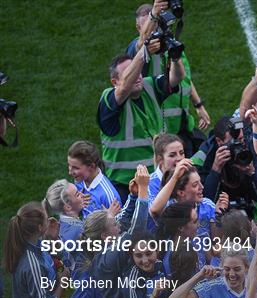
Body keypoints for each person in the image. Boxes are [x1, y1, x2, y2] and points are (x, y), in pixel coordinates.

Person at [97, 22, 185, 201]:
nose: (138, 76)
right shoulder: (109, 98)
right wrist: (143, 51)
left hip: (156, 178)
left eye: (138, 70)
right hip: (125, 185)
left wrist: (175, 58)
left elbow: (176, 78)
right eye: (131, 72)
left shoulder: (149, 85)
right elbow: (123, 90)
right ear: (115, 82)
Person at [126, 2, 210, 157]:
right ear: (139, 28)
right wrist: (155, 13)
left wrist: (198, 105)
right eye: (149, 26)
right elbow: (142, 42)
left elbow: (184, 78)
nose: (153, 31)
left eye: (156, 25)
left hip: (183, 123)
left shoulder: (171, 44)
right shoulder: (139, 51)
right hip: (163, 131)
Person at [94, 165, 151, 298]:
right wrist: (143, 190)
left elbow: (125, 221)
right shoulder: (109, 256)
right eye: (114, 224)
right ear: (105, 236)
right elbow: (136, 229)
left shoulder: (107, 245)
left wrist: (133, 196)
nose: (118, 224)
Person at [191, 116, 257, 220]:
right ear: (219, 141)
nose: (239, 145)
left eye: (241, 140)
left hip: (248, 215)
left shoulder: (249, 148)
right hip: (216, 217)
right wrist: (215, 171)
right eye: (233, 142)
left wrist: (252, 173)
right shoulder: (205, 157)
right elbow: (203, 202)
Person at [67, 140, 121, 218]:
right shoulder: (80, 182)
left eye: (75, 168)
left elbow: (117, 228)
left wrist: (108, 218)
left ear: (92, 166)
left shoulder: (108, 196)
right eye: (69, 165)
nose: (70, 172)